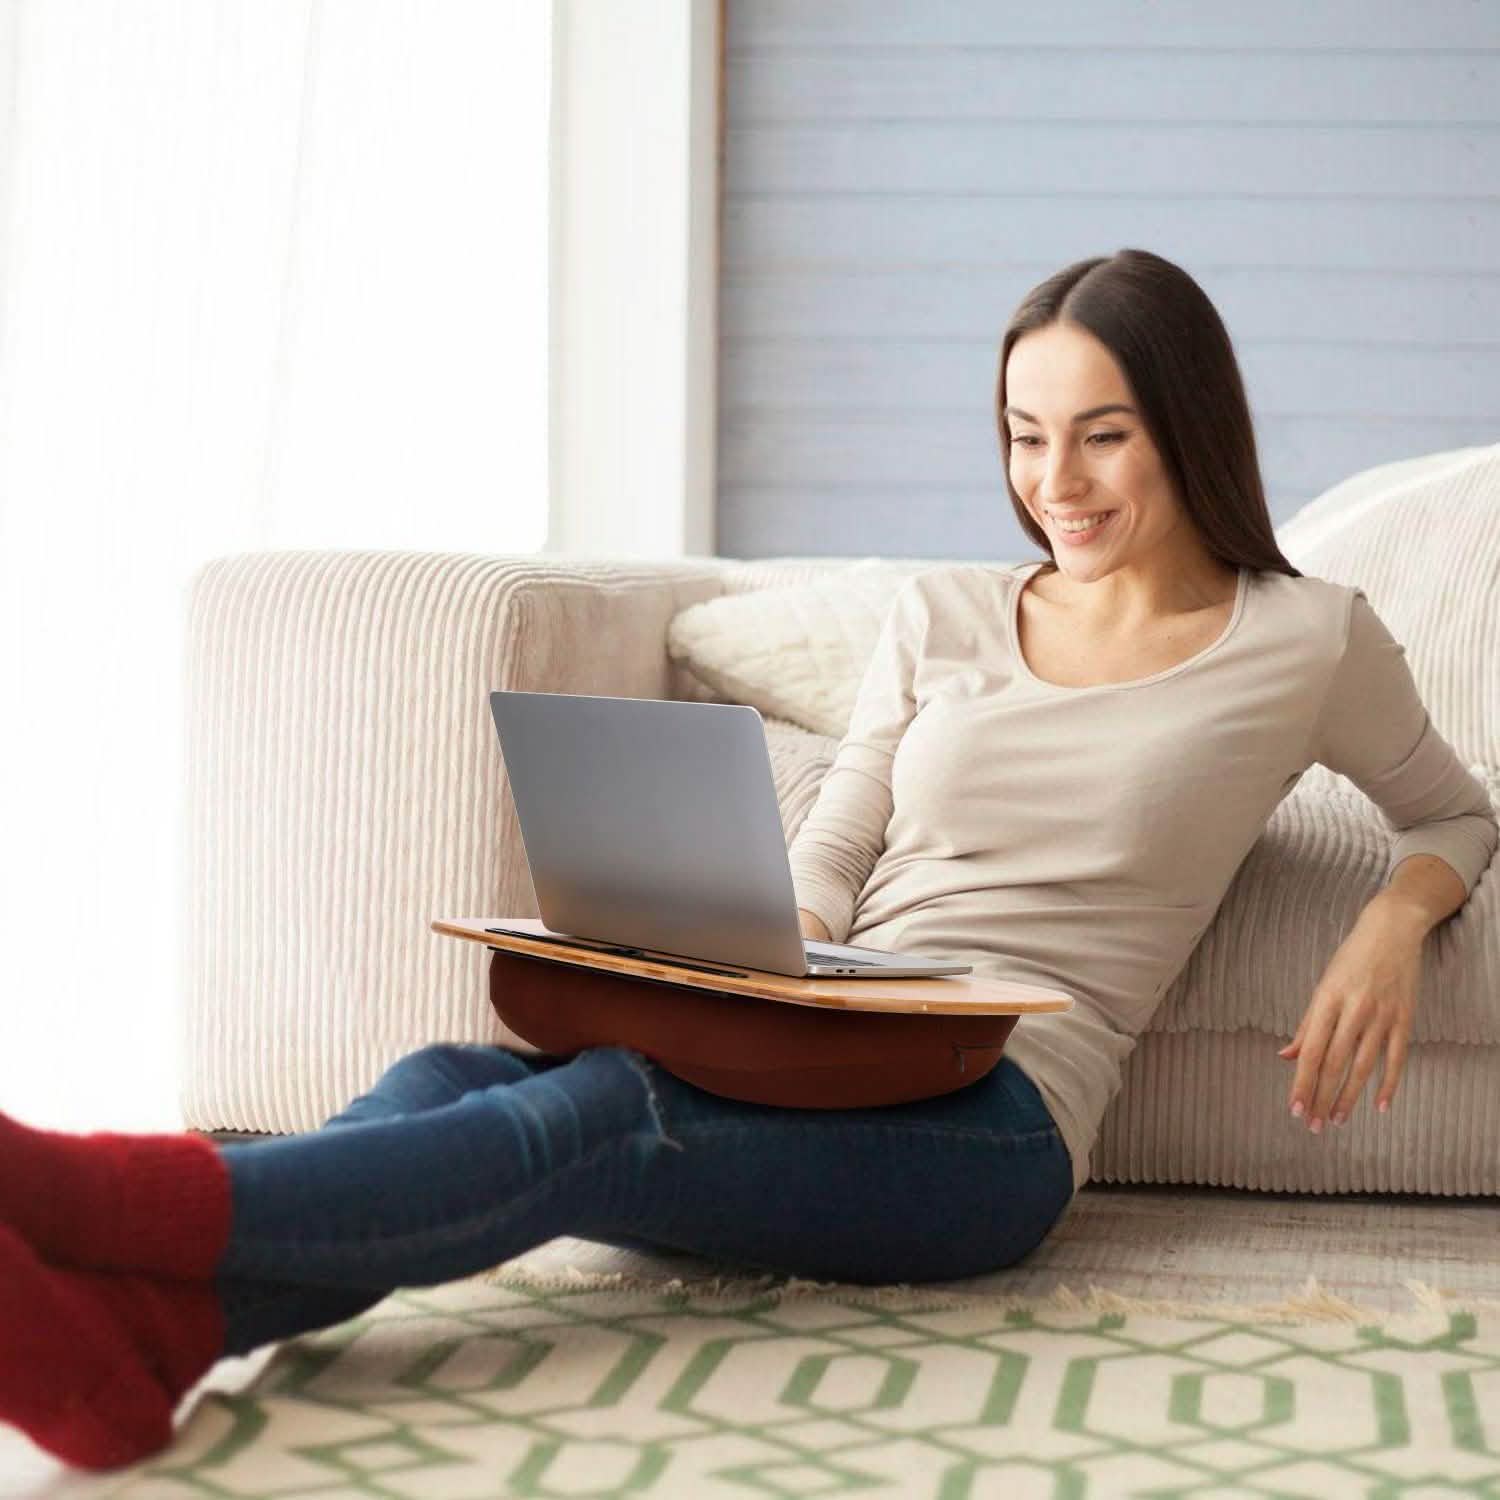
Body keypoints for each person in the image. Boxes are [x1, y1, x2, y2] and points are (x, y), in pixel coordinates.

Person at [3, 247, 1494, 1471]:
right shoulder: (949, 611)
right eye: (1026, 437)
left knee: (597, 1114)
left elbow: (1456, 810)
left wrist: (1387, 924)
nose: (1060, 481)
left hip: (997, 1132)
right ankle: (144, 1347)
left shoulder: (1305, 640)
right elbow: (845, 829)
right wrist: (760, 952)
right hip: (835, 1027)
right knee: (460, 1076)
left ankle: (104, 1205)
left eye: (1103, 433)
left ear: (1187, 421)